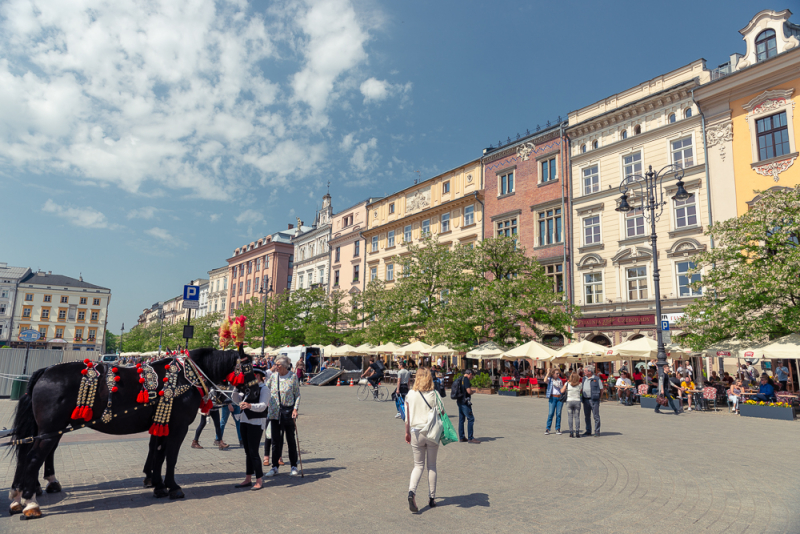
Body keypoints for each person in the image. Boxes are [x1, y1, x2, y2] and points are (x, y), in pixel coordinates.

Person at [404, 368, 440, 513]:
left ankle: (411, 492)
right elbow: (442, 413)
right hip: (431, 432)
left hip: (416, 432)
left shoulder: (410, 394)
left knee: (418, 465)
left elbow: (407, 417)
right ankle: (432, 498)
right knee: (432, 466)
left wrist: (407, 432)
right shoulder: (434, 394)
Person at [232, 370, 270, 491]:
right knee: (247, 452)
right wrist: (236, 387)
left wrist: (250, 406)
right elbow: (235, 399)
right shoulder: (247, 388)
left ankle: (259, 479)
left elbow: (263, 405)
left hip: (256, 422)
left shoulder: (264, 389)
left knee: (253, 452)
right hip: (244, 420)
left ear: (258, 376)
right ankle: (248, 478)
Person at [264, 356, 301, 477]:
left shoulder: (293, 376)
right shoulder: (274, 376)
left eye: (278, 364)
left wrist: (295, 409)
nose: (275, 366)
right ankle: (274, 467)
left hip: (288, 412)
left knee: (291, 440)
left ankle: (294, 466)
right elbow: (265, 389)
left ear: (285, 366)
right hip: (274, 412)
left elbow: (297, 395)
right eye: (275, 364)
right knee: (275, 441)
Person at [455, 369, 479, 444]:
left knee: (461, 419)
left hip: (459, 401)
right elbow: (468, 391)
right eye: (472, 376)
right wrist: (473, 392)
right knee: (471, 418)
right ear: (470, 374)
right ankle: (470, 438)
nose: (472, 377)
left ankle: (462, 437)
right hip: (465, 402)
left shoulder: (460, 378)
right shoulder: (466, 380)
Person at [580, 365, 603, 437]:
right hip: (585, 399)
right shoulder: (584, 378)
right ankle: (588, 431)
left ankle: (597, 431)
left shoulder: (596, 379)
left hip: (594, 399)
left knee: (596, 416)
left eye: (585, 371)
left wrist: (599, 398)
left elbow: (601, 389)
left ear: (590, 371)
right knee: (587, 416)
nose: (584, 372)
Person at [544, 368, 565, 435]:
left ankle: (558, 428)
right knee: (551, 413)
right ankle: (547, 428)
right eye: (556, 373)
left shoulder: (560, 381)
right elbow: (545, 380)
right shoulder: (550, 380)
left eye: (559, 373)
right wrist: (548, 373)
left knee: (558, 414)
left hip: (559, 398)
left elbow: (562, 389)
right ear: (553, 374)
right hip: (552, 398)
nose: (558, 374)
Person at [564, 372, 582, 438]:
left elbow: (562, 391)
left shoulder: (567, 384)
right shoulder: (580, 384)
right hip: (577, 401)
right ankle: (577, 432)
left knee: (570, 417)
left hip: (569, 401)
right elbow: (580, 391)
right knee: (577, 417)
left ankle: (571, 432)